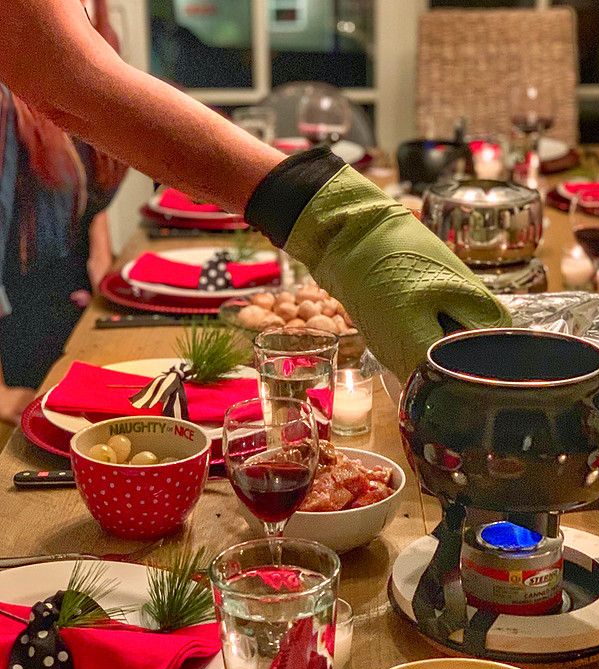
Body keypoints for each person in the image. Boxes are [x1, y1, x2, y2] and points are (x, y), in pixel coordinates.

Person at [0, 0, 510, 389]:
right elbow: (72, 83)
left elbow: (83, 140)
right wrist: (340, 223)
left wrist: (100, 261)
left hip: (59, 309)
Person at [0, 0, 127, 423]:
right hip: (20, 335)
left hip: (71, 303)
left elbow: (88, 171)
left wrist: (100, 251)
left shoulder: (94, 44)